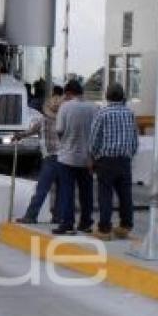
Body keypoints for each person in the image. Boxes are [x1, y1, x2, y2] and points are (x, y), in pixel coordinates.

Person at [89, 82, 140, 241]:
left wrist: (92, 157)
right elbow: (134, 138)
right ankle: (126, 225)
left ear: (106, 96)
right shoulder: (129, 113)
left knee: (105, 194)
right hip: (124, 159)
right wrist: (129, 154)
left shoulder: (102, 114)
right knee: (125, 194)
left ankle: (104, 229)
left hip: (106, 160)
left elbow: (94, 139)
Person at [53, 79, 98, 235]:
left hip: (67, 157)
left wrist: (64, 141)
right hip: (87, 159)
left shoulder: (65, 107)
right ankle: (85, 222)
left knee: (67, 191)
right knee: (86, 192)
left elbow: (59, 130)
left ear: (69, 93)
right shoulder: (94, 108)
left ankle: (67, 224)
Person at [15, 86, 65, 224]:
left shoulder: (42, 121)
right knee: (61, 189)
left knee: (42, 189)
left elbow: (29, 132)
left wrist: (18, 136)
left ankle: (31, 216)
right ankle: (58, 216)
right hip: (64, 158)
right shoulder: (64, 121)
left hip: (50, 158)